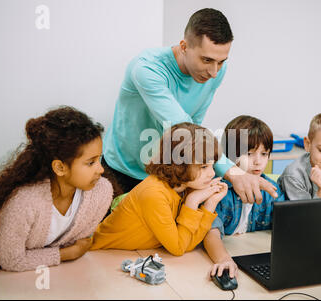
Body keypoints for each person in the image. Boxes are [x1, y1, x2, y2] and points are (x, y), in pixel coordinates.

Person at [102, 8, 277, 202]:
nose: (214, 72)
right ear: (184, 46)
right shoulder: (147, 69)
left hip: (165, 174)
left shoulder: (215, 71)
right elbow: (184, 129)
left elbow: (195, 124)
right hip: (122, 171)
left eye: (221, 62)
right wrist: (233, 172)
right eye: (207, 60)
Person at [0, 106, 113, 280]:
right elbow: (12, 260)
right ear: (60, 167)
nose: (101, 169)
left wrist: (27, 258)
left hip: (62, 276)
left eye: (99, 159)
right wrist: (67, 254)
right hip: (14, 279)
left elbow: (80, 241)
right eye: (90, 163)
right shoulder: (23, 203)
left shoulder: (102, 191)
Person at [90, 122, 228, 256]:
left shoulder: (184, 188)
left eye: (212, 165)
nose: (212, 174)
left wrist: (210, 204)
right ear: (179, 164)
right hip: (97, 254)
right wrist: (192, 201)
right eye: (204, 167)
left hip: (125, 255)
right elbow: (178, 248)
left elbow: (186, 244)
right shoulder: (154, 194)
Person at [203, 115, 285, 279]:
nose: (258, 162)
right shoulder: (218, 189)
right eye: (249, 153)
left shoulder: (270, 189)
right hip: (224, 257)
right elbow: (210, 232)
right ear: (229, 155)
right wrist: (224, 259)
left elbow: (287, 224)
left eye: (264, 153)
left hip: (253, 257)